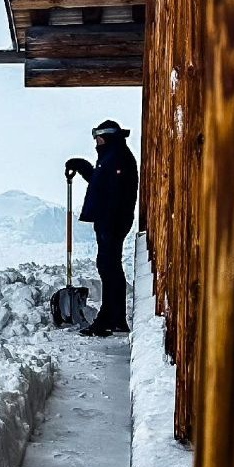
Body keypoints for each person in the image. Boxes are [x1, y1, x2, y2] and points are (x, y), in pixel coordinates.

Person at [65, 119, 139, 337]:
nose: (95, 142)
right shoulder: (111, 157)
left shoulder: (117, 158)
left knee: (109, 268)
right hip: (110, 221)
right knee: (109, 267)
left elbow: (113, 193)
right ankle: (116, 319)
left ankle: (108, 319)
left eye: (97, 137)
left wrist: (108, 220)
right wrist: (83, 166)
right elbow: (100, 183)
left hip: (112, 221)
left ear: (106, 137)